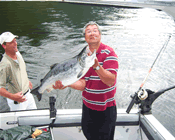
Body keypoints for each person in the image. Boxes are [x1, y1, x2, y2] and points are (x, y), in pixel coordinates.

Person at [53, 21, 118, 140]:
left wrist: (97, 66)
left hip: (106, 109)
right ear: (85, 37)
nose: (92, 33)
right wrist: (66, 83)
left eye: (95, 30)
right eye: (88, 31)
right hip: (88, 108)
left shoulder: (109, 52)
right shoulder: (83, 55)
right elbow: (83, 84)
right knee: (88, 135)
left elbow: (110, 81)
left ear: (100, 35)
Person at [0, 32, 37, 111]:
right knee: (20, 122)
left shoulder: (17, 53)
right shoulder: (5, 65)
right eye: (11, 42)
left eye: (15, 40)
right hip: (17, 101)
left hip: (28, 94)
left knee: (34, 117)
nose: (15, 44)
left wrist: (26, 80)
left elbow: (21, 69)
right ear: (4, 46)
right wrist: (13, 97)